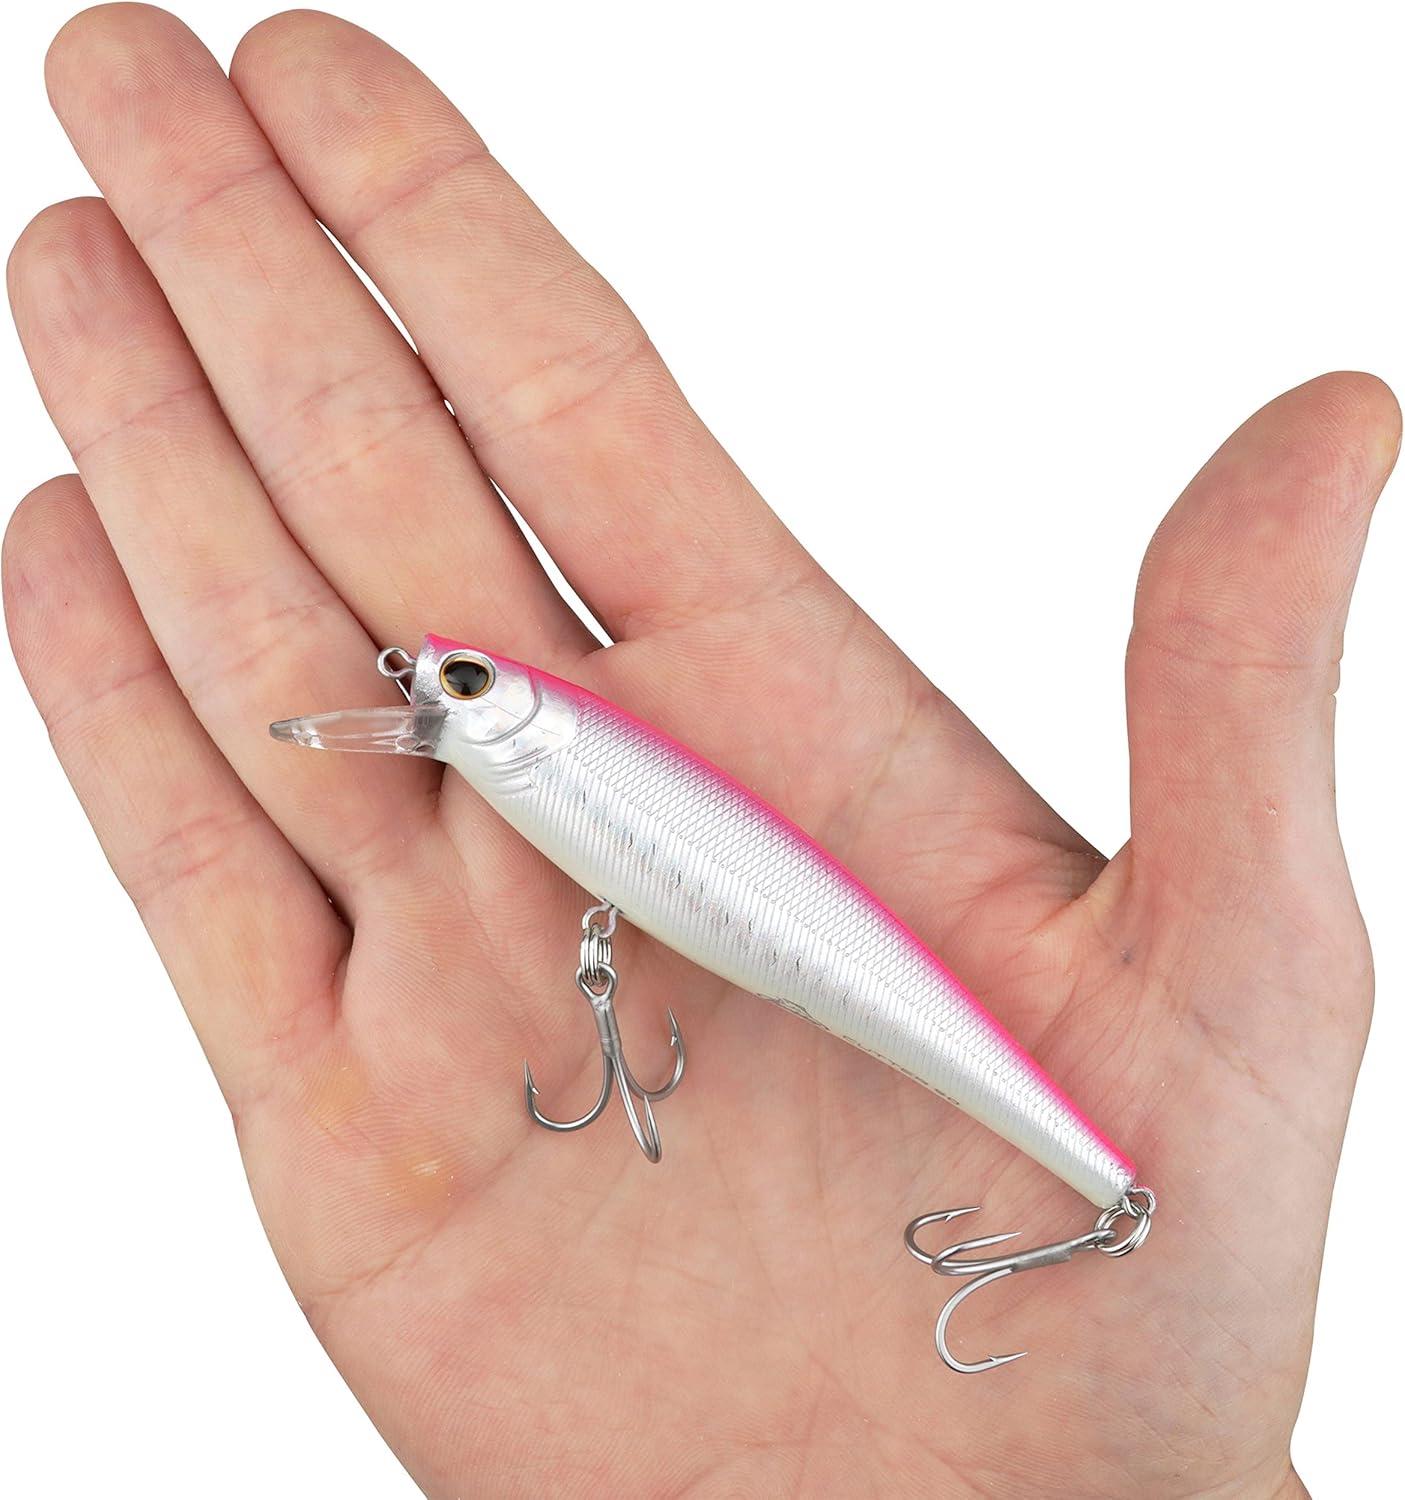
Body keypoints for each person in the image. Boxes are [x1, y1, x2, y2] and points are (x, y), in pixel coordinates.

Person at [3, 8, 1395, 1497]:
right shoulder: (514, 755)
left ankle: (1095, 1187)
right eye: (450, 686)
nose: (440, 690)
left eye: (459, 681)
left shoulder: (522, 743)